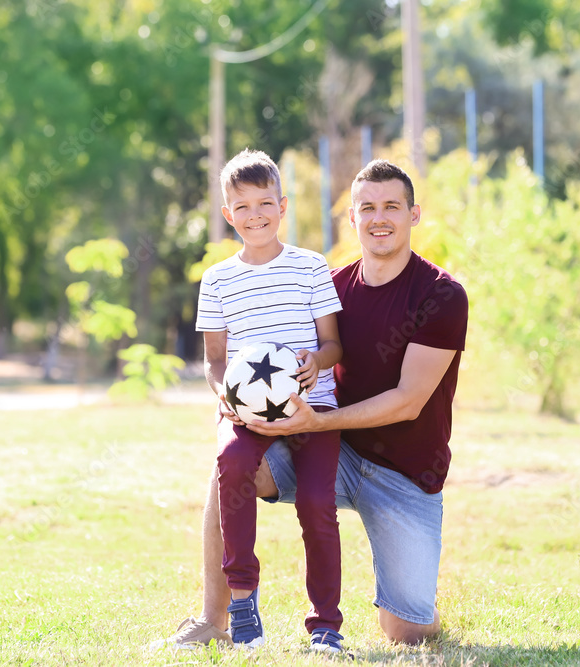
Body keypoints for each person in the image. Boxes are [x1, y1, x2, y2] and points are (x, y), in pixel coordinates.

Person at [168, 158, 468, 649]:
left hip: (403, 474)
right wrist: (240, 398)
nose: (379, 218)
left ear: (413, 215)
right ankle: (216, 617)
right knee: (231, 466)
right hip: (332, 446)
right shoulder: (328, 283)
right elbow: (254, 350)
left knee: (407, 632)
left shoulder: (442, 294)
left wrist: (315, 421)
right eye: (366, 208)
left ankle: (412, 598)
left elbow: (408, 402)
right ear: (351, 219)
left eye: (392, 206)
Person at [188, 148, 346, 652]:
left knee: (319, 503)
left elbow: (334, 345)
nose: (254, 215)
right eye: (242, 206)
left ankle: (325, 624)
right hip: (244, 414)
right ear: (227, 213)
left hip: (312, 407)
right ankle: (242, 604)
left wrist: (316, 363)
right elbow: (214, 360)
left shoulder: (310, 267)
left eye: (264, 203)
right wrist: (224, 396)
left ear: (283, 205)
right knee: (230, 467)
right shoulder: (217, 280)